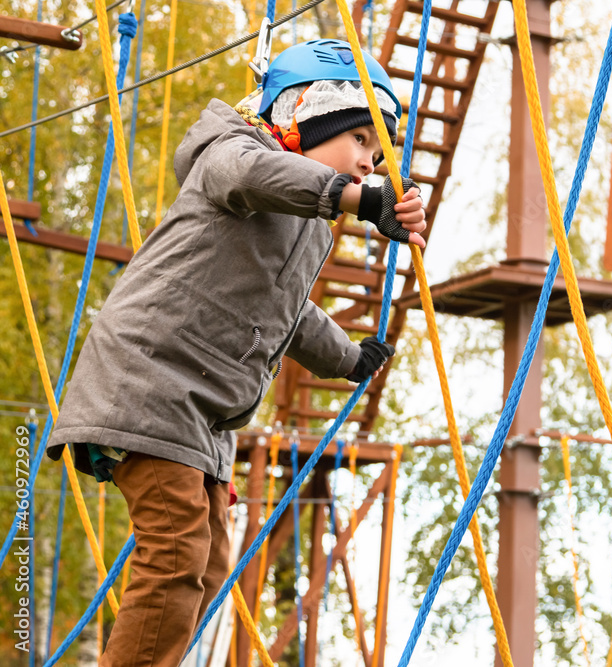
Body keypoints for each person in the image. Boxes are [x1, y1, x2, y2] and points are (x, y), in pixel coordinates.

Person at [46, 39, 425, 666]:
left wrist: (345, 357)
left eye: (375, 152)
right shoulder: (230, 153)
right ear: (305, 111)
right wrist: (358, 199)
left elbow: (287, 308)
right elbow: (256, 176)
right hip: (152, 381)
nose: (368, 161)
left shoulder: (302, 223)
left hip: (206, 413)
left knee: (211, 562)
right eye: (360, 139)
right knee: (174, 555)